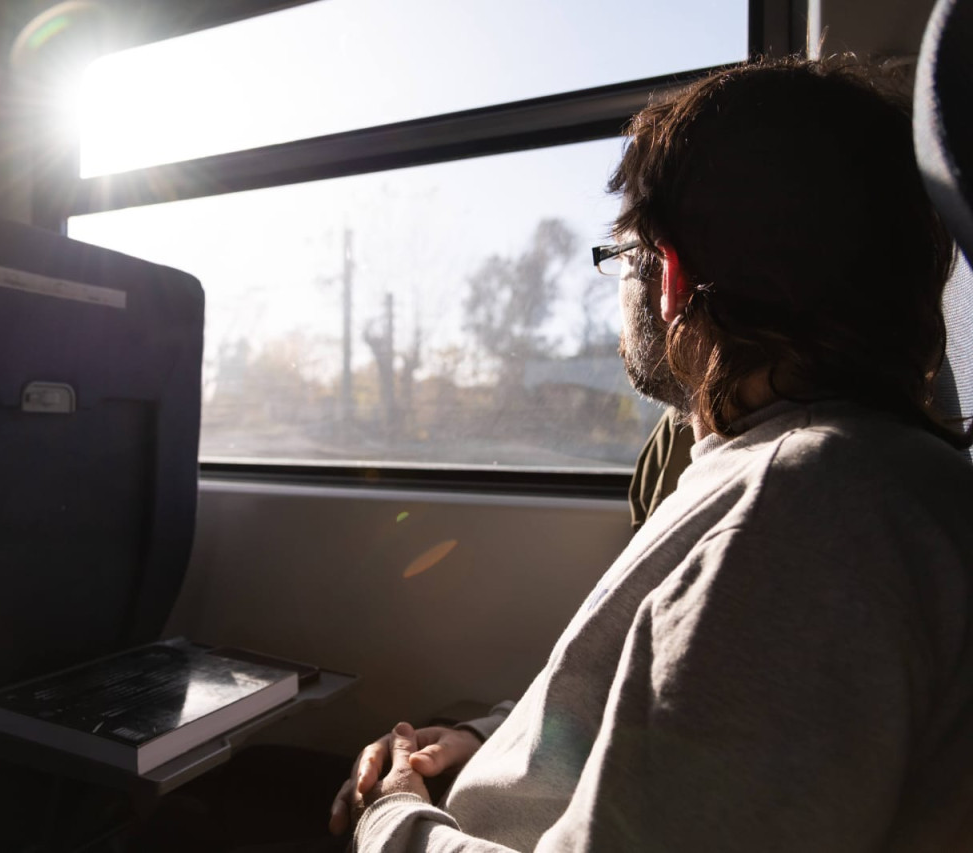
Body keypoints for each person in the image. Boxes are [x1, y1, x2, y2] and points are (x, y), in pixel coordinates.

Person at [331, 55, 973, 852]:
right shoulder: (803, 478)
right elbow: (685, 721)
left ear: (670, 275)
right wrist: (484, 740)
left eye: (625, 255)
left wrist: (392, 820)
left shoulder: (798, 521)